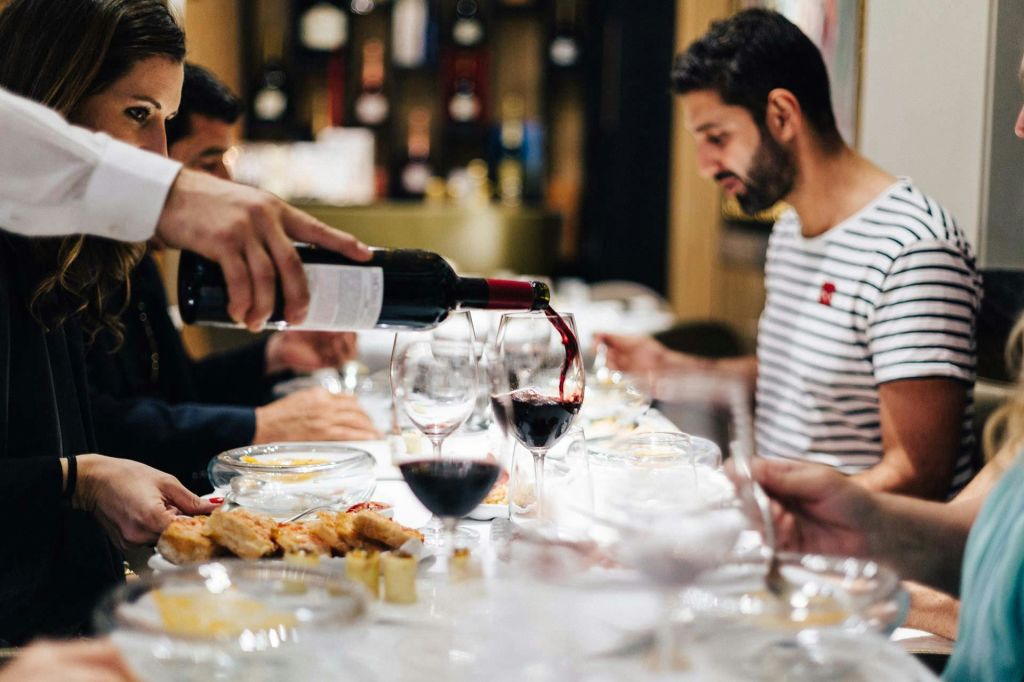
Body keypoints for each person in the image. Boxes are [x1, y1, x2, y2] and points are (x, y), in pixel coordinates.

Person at [598, 9, 981, 499]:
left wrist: (777, 517)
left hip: (853, 558)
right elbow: (797, 378)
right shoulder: (791, 230)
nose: (704, 166)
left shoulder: (913, 247)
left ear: (782, 115)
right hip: (777, 525)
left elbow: (919, 474)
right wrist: (672, 367)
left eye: (717, 138)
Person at [0, 0, 223, 644]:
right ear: (55, 103)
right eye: (138, 114)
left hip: (82, 618)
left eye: (167, 120)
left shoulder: (66, 247)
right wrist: (81, 478)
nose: (160, 154)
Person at [87, 63, 378, 489]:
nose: (228, 184)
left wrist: (274, 355)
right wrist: (257, 426)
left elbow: (176, 391)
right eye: (209, 163)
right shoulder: (65, 263)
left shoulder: (135, 256)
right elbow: (96, 428)